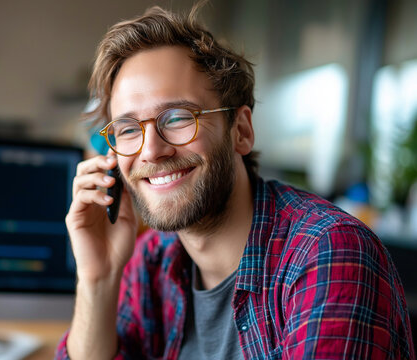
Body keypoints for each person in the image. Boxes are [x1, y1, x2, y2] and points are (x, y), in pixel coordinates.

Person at [56, 5, 415, 360]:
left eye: (178, 117)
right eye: (129, 129)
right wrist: (98, 279)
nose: (151, 151)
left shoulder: (329, 252)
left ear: (241, 131)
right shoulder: (152, 261)